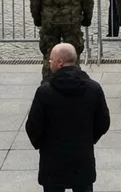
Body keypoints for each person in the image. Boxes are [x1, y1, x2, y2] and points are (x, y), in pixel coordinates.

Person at [24, 42, 111, 192]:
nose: (49, 63)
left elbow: (33, 126)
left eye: (51, 59)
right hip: (82, 158)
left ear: (60, 62)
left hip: (52, 160)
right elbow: (103, 122)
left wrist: (42, 144)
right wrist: (89, 138)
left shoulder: (45, 92)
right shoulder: (93, 88)